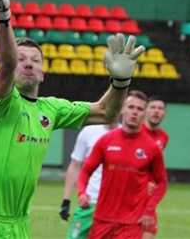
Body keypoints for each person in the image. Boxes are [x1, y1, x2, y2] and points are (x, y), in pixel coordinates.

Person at [0, 0, 146, 239]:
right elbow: (6, 63)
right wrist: (2, 13)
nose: (28, 63)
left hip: (18, 225)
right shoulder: (1, 102)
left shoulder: (51, 109)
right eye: (22, 59)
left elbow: (106, 111)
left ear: (43, 73)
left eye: (35, 60)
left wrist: (120, 82)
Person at [77, 90, 168, 239]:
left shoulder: (151, 148)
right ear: (123, 109)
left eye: (139, 109)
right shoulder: (105, 141)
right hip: (102, 219)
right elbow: (85, 170)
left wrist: (149, 209)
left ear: (144, 113)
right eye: (131, 107)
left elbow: (162, 181)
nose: (134, 112)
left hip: (131, 224)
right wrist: (82, 192)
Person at [59, 122, 119, 239]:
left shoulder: (127, 135)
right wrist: (66, 200)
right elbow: (75, 165)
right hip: (89, 202)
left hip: (114, 206)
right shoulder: (89, 132)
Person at [141, 95, 168, 239]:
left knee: (148, 233)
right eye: (152, 107)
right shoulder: (134, 132)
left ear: (165, 114)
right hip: (130, 194)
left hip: (148, 197)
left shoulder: (163, 137)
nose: (156, 111)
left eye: (160, 108)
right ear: (145, 111)